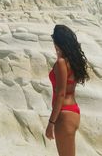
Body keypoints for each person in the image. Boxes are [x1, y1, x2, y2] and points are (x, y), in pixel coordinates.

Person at [45, 24, 89, 156]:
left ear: (58, 42)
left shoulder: (61, 63)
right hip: (73, 111)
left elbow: (60, 94)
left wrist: (51, 123)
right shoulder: (73, 62)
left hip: (64, 114)